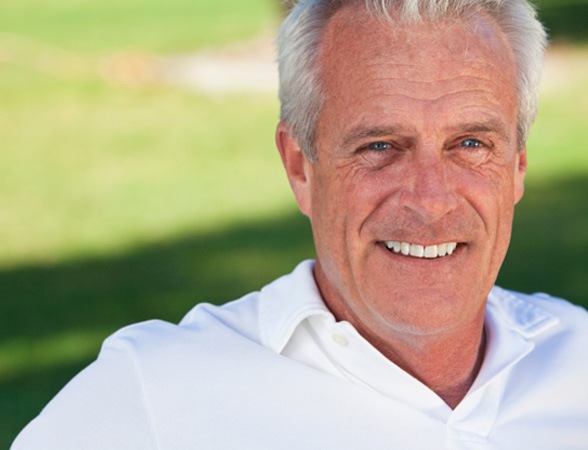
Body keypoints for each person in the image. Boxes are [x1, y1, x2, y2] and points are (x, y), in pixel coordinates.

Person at [12, 0, 588, 448]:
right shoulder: (152, 397)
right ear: (300, 168)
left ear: (516, 166)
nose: (431, 200)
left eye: (470, 143)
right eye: (380, 146)